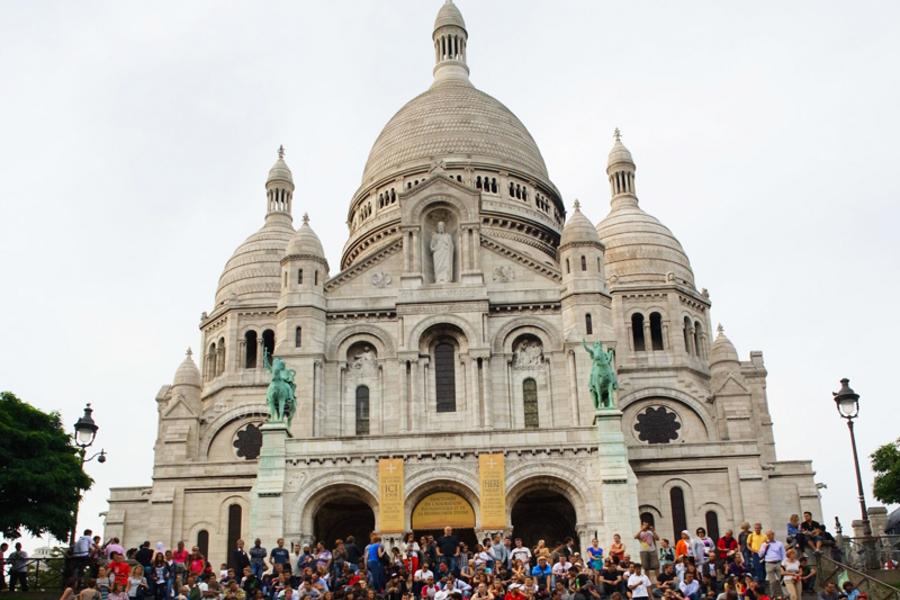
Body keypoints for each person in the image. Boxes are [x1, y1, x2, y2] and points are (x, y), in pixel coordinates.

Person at [757, 530, 785, 596]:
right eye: (767, 535)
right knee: (772, 582)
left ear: (773, 535)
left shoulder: (779, 543)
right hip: (769, 563)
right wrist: (764, 547)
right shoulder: (764, 544)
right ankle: (773, 596)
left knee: (781, 580)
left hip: (778, 563)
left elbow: (783, 554)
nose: (769, 536)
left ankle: (782, 595)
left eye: (770, 535)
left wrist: (783, 564)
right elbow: (760, 555)